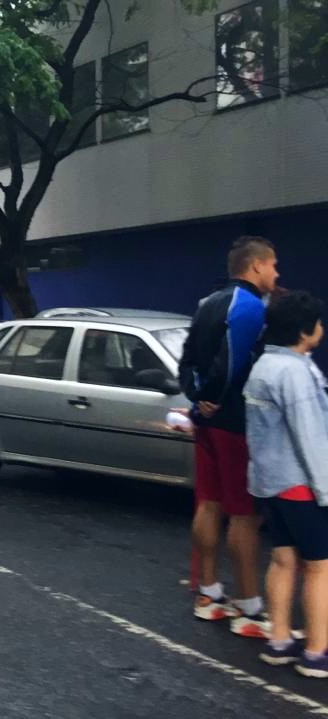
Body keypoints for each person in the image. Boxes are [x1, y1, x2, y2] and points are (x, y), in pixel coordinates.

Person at [179, 235, 279, 637]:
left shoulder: (206, 303)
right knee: (243, 514)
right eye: (273, 265)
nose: (276, 273)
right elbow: (234, 359)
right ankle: (250, 608)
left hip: (206, 422)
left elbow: (186, 360)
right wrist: (215, 399)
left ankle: (208, 593)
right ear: (255, 266)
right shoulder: (250, 305)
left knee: (208, 503)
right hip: (235, 420)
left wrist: (198, 399)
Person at [244, 291, 328, 677]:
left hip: (269, 482)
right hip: (301, 484)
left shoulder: (264, 365)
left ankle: (278, 641)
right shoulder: (295, 372)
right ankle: (316, 652)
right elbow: (310, 436)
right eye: (319, 324)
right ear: (304, 330)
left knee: (283, 559)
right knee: (319, 568)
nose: (322, 330)